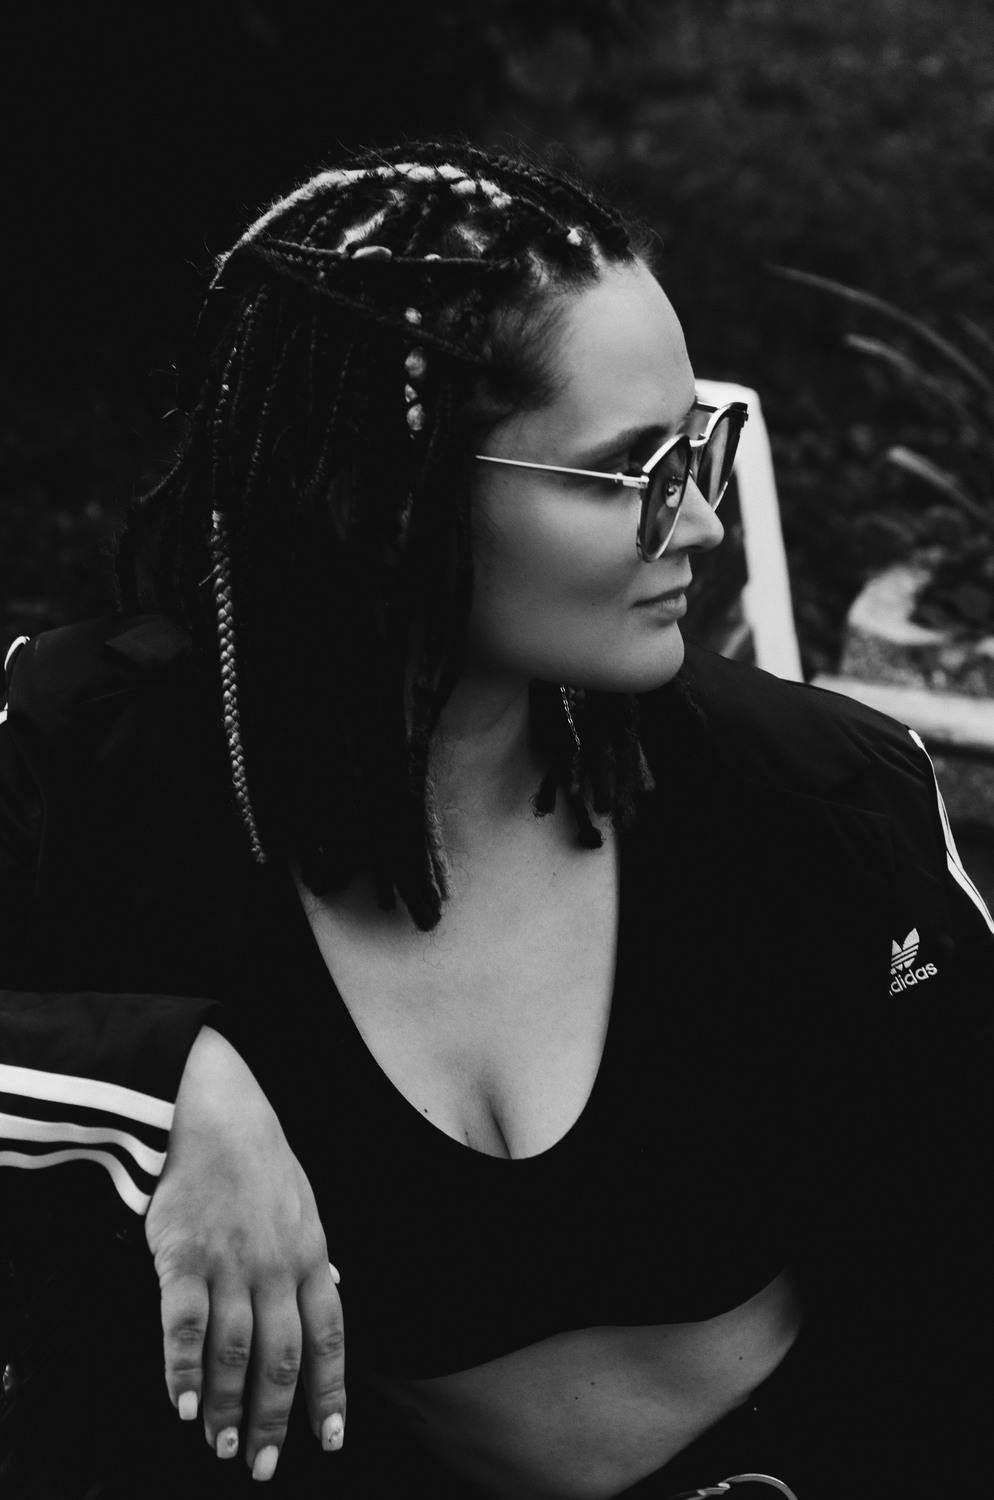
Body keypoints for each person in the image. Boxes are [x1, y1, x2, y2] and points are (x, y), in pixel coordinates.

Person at [1, 141, 991, 1500]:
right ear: (389, 489)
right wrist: (159, 1087)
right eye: (632, 469)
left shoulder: (814, 801)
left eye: (699, 448)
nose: (701, 522)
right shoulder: (103, 765)